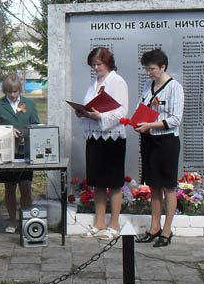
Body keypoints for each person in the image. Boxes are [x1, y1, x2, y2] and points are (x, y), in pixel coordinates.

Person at [74, 47, 129, 241]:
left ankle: (113, 224)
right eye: (93, 65)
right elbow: (89, 105)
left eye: (99, 64)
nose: (96, 68)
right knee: (97, 182)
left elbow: (122, 111)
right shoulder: (93, 83)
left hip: (112, 138)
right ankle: (99, 222)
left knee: (114, 183)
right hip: (94, 137)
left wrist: (101, 116)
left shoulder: (117, 81)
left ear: (108, 62)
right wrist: (82, 112)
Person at [134, 48, 184, 247]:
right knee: (153, 185)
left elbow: (175, 118)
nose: (149, 73)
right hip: (149, 140)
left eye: (152, 69)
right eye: (147, 69)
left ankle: (167, 230)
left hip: (167, 142)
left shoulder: (175, 88)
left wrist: (150, 125)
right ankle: (154, 227)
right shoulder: (148, 84)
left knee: (168, 187)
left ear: (163, 67)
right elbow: (142, 107)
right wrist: (136, 122)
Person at [0, 73, 40, 234]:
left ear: (19, 90)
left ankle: (26, 219)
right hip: (6, 153)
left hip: (25, 152)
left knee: (26, 186)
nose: (13, 95)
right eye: (9, 92)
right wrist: (8, 131)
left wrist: (26, 133)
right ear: (5, 91)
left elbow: (36, 125)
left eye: (16, 91)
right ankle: (12, 219)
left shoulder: (29, 104)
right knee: (9, 188)